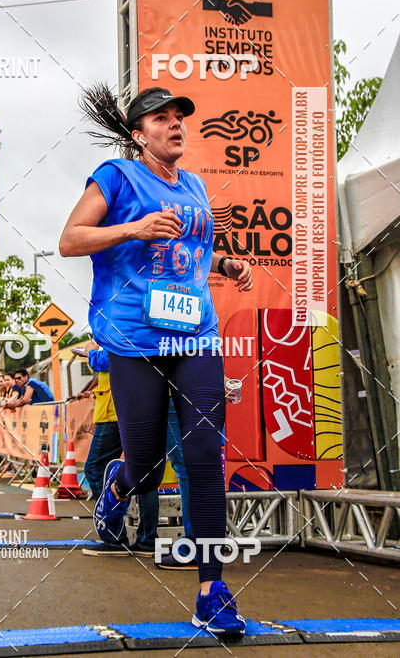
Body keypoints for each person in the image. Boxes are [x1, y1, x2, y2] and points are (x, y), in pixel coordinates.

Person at [59, 85, 252, 637]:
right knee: (144, 464)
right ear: (138, 132)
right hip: (133, 339)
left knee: (202, 453)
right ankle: (118, 488)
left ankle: (212, 591)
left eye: (179, 118)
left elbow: (187, 253)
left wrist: (226, 264)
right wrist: (134, 227)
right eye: (161, 118)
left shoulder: (193, 185)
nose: (175, 125)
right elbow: (71, 240)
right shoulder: (115, 178)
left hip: (195, 336)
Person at [79, 342, 159, 558]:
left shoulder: (116, 321)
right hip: (144, 403)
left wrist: (90, 352)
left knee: (95, 468)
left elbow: (105, 361)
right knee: (145, 473)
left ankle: (114, 535)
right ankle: (148, 540)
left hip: (115, 409)